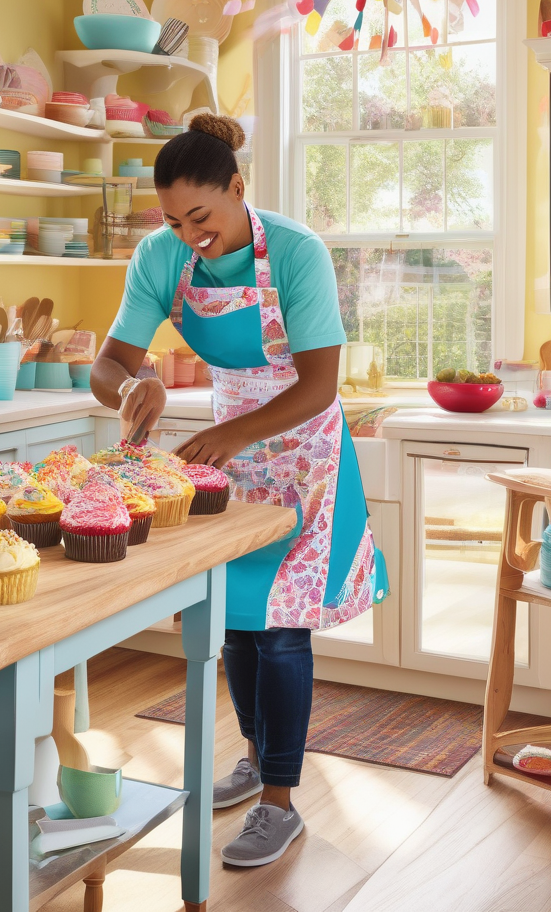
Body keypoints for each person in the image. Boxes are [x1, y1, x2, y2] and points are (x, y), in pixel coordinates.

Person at [91, 114, 386, 868]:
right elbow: (107, 363)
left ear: (237, 190)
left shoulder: (295, 251)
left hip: (301, 453)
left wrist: (237, 435)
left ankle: (279, 805)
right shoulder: (162, 257)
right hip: (228, 456)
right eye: (173, 219)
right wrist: (136, 384)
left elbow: (320, 383)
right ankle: (257, 760)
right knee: (234, 623)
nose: (190, 234)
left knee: (281, 630)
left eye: (203, 216)